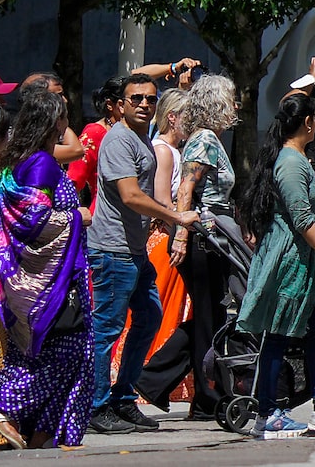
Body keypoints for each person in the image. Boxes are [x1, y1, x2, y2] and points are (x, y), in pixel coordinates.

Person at [233, 93, 315, 437]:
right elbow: (302, 218)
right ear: (308, 122)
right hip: (293, 263)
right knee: (278, 334)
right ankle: (267, 414)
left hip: (309, 267)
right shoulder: (289, 162)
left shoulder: (298, 160)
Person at [0, 83, 98, 448]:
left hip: (46, 277)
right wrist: (77, 217)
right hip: (50, 281)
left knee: (40, 352)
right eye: (64, 114)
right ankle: (5, 407)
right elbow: (32, 219)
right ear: (54, 121)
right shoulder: (42, 163)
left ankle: (42, 437)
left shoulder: (24, 159)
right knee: (71, 351)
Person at [84, 70, 196, 434]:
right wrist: (175, 216)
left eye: (151, 99)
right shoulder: (118, 141)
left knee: (148, 318)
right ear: (119, 105)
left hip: (132, 251)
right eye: (137, 99)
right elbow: (131, 196)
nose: (145, 104)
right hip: (112, 250)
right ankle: (97, 406)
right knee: (107, 329)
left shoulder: (140, 137)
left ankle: (122, 398)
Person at [159, 75, 240, 425]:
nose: (236, 106)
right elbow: (186, 189)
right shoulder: (205, 139)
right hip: (203, 237)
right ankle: (208, 396)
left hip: (212, 236)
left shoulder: (211, 140)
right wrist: (180, 234)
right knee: (210, 318)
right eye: (232, 99)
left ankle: (156, 380)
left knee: (210, 318)